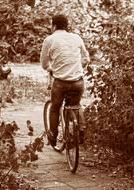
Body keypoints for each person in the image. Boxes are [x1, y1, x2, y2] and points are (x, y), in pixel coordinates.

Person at [40, 14, 90, 146]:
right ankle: (79, 129)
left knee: (55, 108)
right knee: (75, 106)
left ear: (54, 25)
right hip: (78, 82)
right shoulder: (76, 38)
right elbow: (86, 59)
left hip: (60, 83)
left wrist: (51, 69)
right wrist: (78, 68)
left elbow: (44, 64)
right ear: (67, 26)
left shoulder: (49, 40)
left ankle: (53, 137)